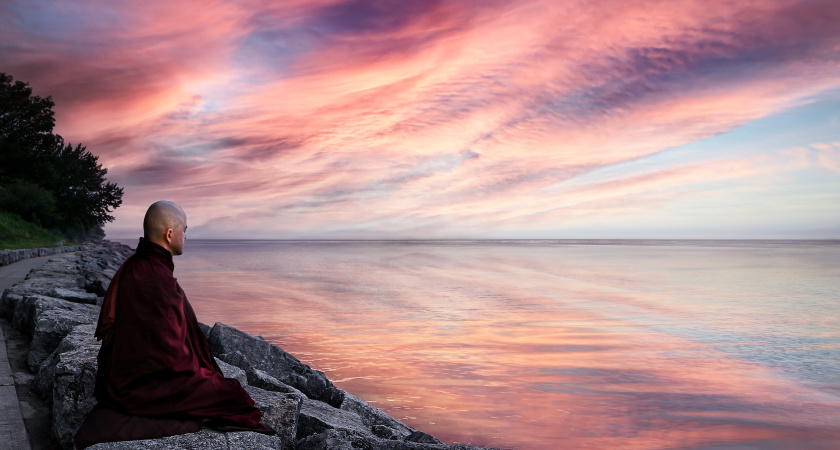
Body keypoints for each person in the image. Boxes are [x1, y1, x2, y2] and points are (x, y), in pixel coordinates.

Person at [74, 201, 273, 448]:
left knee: (223, 389)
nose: (186, 236)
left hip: (122, 377)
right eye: (184, 230)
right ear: (169, 234)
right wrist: (202, 375)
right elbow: (172, 357)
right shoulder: (156, 279)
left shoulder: (134, 266)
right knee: (235, 397)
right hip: (141, 385)